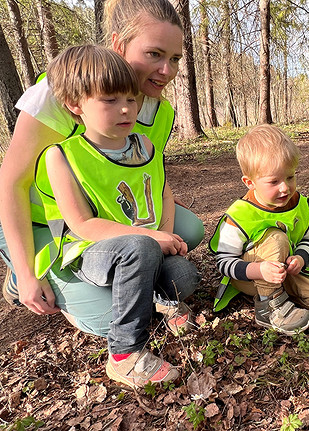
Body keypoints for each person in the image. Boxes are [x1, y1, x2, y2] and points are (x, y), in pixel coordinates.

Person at [0, 0, 204, 338]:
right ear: (119, 45)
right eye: (154, 54)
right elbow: (11, 184)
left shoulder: (159, 109)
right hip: (44, 220)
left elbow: (142, 174)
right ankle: (26, 269)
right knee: (109, 316)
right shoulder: (60, 94)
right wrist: (27, 271)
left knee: (188, 230)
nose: (167, 70)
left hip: (105, 215)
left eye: (175, 58)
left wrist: (161, 232)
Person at [33, 44, 199, 388]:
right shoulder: (62, 156)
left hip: (143, 248)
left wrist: (166, 236)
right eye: (109, 101)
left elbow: (162, 192)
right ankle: (124, 355)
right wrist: (153, 239)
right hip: (93, 251)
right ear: (75, 105)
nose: (125, 109)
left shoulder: (145, 146)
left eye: (131, 99)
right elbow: (81, 224)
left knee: (184, 275)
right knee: (138, 248)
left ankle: (153, 300)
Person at [209, 125, 309, 335]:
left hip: (282, 270)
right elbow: (223, 262)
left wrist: (301, 259)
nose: (284, 187)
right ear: (250, 183)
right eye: (274, 181)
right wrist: (260, 270)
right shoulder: (240, 214)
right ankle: (270, 306)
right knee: (276, 238)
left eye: (290, 177)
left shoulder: (298, 203)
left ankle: (282, 292)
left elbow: (308, 238)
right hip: (248, 276)